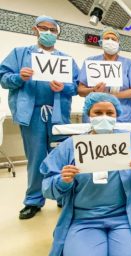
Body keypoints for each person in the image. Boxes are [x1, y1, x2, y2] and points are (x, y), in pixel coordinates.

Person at [40, 93, 131, 256]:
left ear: (117, 115)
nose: (104, 117)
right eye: (98, 112)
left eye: (110, 113)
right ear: (89, 114)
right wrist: (62, 181)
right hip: (84, 219)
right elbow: (47, 187)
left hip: (125, 217)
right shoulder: (72, 145)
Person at [0, 15, 79, 219]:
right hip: (32, 113)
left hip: (58, 114)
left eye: (52, 30)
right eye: (43, 28)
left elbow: (76, 87)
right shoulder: (19, 55)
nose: (48, 33)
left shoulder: (66, 60)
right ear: (35, 30)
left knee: (62, 157)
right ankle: (33, 200)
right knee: (36, 159)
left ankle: (63, 195)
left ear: (58, 33)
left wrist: (64, 87)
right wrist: (19, 77)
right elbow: (4, 78)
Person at [78, 27, 131, 123]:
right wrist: (93, 90)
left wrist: (113, 95)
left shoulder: (128, 63)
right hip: (95, 115)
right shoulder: (91, 62)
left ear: (118, 43)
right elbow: (80, 90)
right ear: (101, 42)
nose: (110, 41)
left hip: (122, 116)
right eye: (107, 38)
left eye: (113, 39)